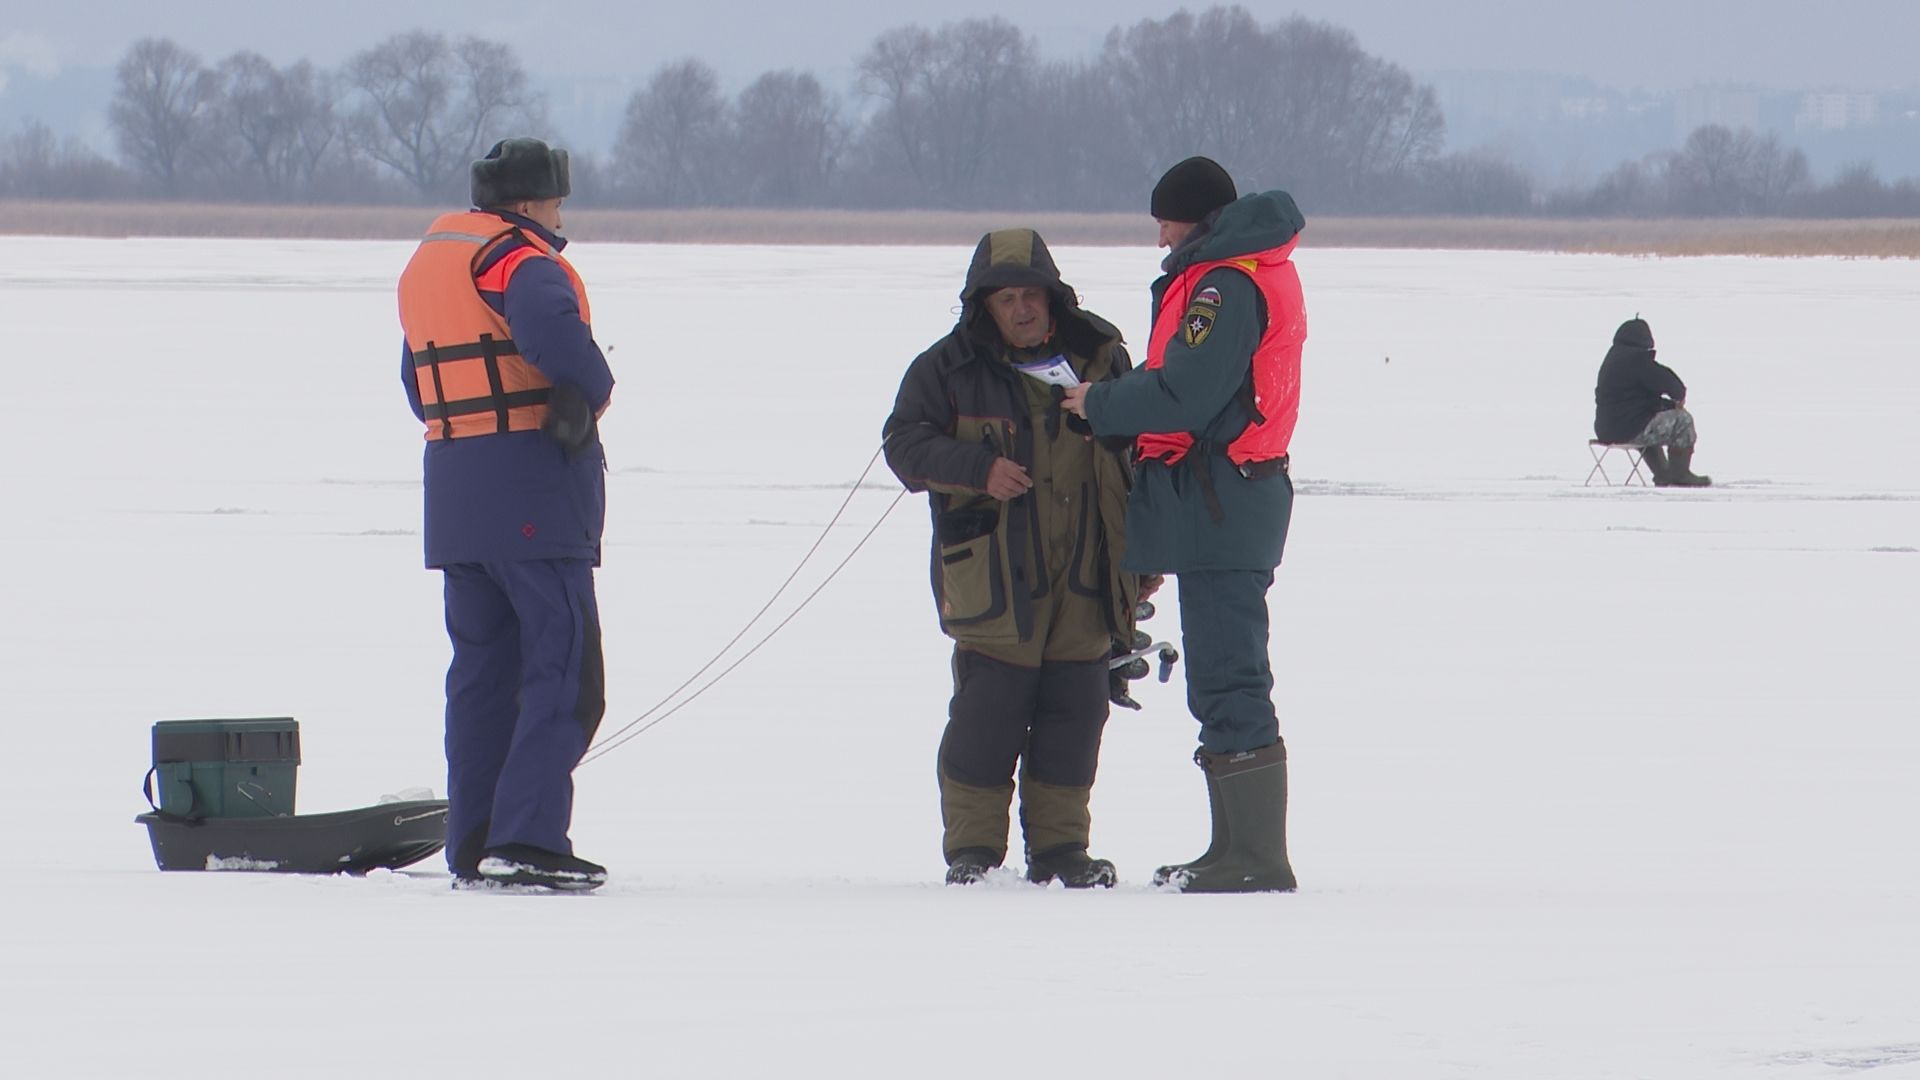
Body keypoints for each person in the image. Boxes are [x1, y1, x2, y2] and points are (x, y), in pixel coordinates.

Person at [1062, 156, 1304, 893]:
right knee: (1223, 677)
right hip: (1229, 498)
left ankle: (1254, 857)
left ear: (1195, 218)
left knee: (1230, 677)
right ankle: (1234, 849)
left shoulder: (1224, 286)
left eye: (1164, 219)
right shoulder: (1246, 272)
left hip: (1223, 503)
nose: (1159, 235)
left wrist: (1096, 405)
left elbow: (1185, 393)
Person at [883, 229, 1147, 888]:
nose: (1023, 310)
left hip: (1088, 576)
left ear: (1055, 298)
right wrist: (978, 467)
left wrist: (1146, 561)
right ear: (983, 306)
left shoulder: (1103, 361)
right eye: (1007, 299)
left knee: (1076, 715)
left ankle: (1063, 852)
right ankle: (973, 851)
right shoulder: (945, 369)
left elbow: (1144, 456)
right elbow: (904, 445)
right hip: (995, 582)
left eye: (1032, 295)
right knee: (986, 717)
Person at [397, 137, 615, 891]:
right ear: (529, 203)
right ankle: (526, 839)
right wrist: (591, 387)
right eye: (557, 200)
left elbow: (415, 377)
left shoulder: (436, 263)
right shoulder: (517, 259)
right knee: (561, 672)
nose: (561, 214)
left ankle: (477, 839)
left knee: (484, 676)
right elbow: (559, 340)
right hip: (530, 493)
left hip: (455, 493)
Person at [1593, 317, 1711, 486]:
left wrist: (1667, 406)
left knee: (1646, 423)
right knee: (1683, 420)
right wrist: (1679, 398)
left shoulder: (1613, 358)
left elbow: (1638, 400)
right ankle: (1680, 474)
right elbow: (1669, 382)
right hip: (1628, 428)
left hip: (1607, 429)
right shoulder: (1637, 360)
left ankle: (1663, 473)